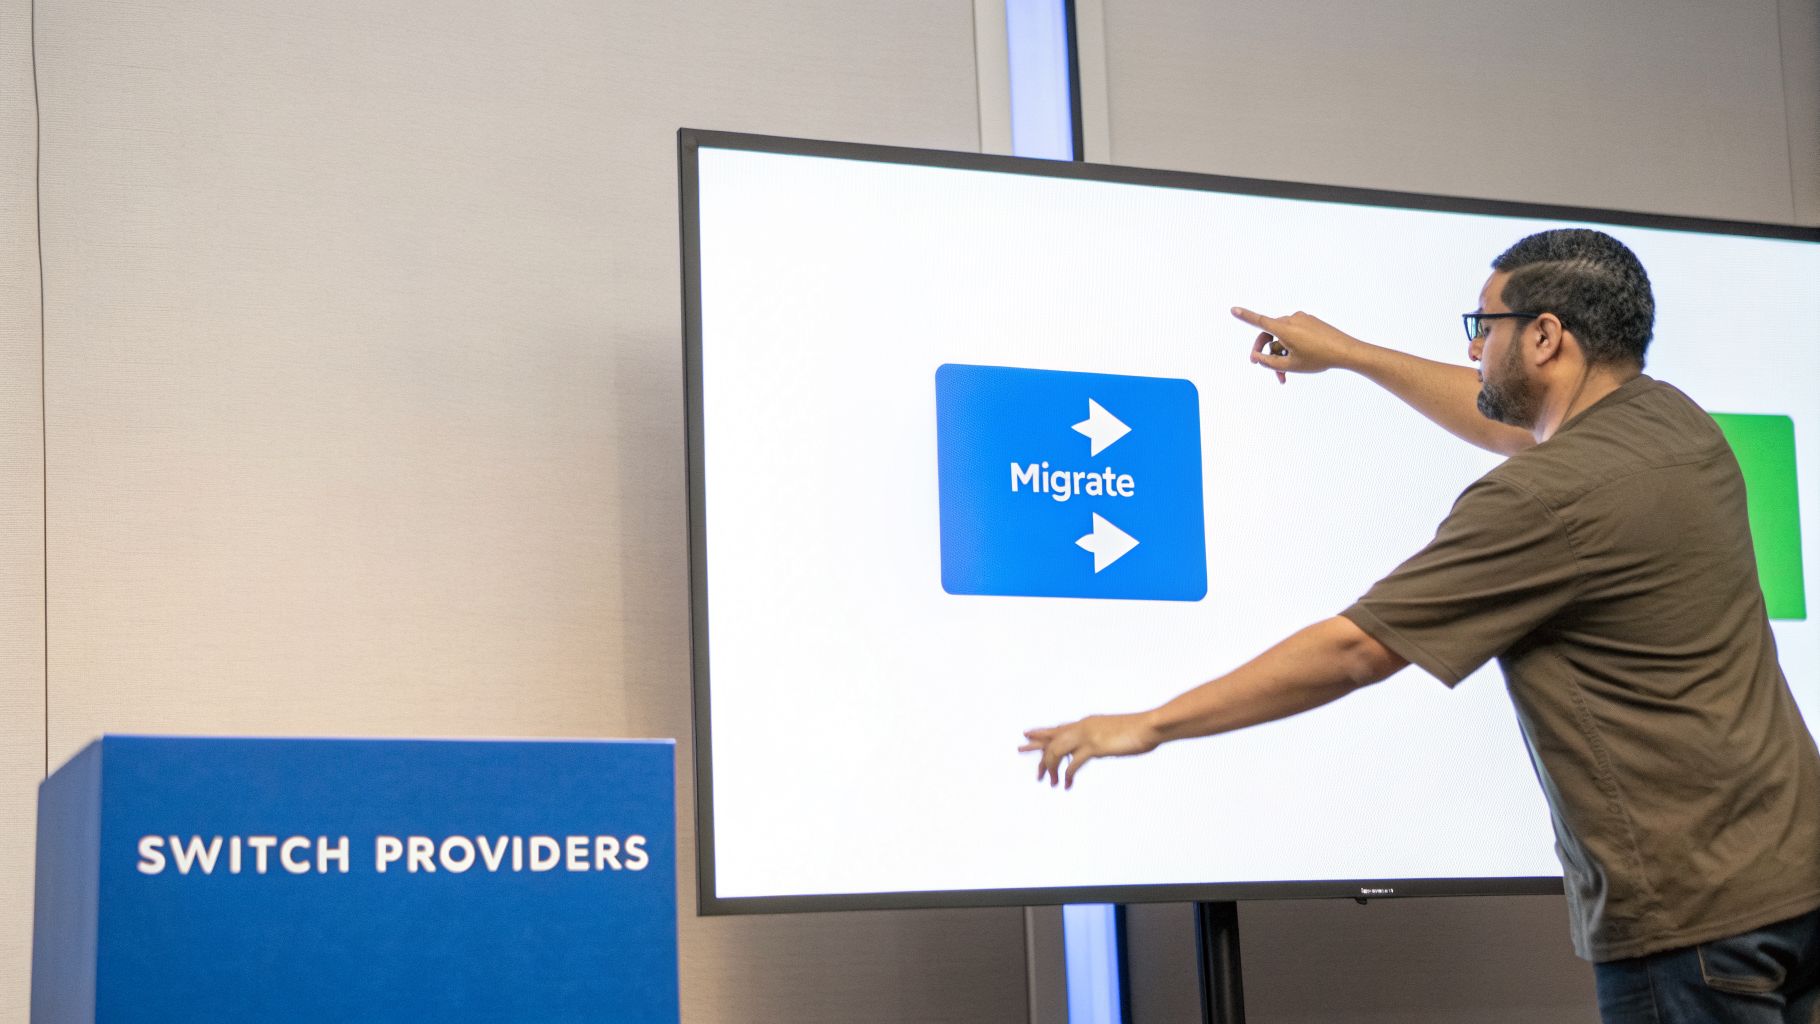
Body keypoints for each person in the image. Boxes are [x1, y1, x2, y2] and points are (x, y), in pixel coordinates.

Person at [1019, 228, 1820, 1023]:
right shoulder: (1675, 424)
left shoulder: (1542, 500)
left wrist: (1151, 724)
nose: (1474, 352)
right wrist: (1353, 353)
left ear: (1545, 336)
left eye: (1483, 327)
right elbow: (1513, 428)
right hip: (1798, 877)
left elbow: (1357, 650)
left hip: (1698, 927)